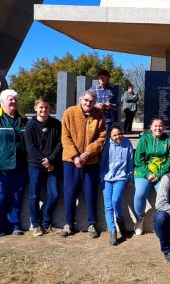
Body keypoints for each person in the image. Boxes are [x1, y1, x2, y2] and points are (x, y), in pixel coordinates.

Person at [60, 90, 107, 238]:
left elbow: (101, 137)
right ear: (80, 99)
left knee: (90, 192)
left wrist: (88, 152)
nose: (88, 103)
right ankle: (68, 223)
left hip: (91, 160)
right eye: (86, 100)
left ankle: (92, 224)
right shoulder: (69, 112)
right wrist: (75, 156)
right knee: (70, 192)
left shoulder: (99, 115)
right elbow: (65, 137)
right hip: (71, 161)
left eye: (91, 101)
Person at [0, 89, 28, 236]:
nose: (13, 102)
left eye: (15, 99)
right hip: (2, 166)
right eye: (10, 99)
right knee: (0, 197)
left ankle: (14, 226)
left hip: (20, 166)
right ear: (2, 102)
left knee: (16, 197)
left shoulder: (23, 119)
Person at [25, 98, 63, 236]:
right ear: (36, 108)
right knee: (34, 196)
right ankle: (36, 225)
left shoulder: (56, 124)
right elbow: (30, 148)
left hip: (52, 165)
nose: (44, 110)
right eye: (41, 107)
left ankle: (46, 222)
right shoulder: (30, 125)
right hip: (35, 165)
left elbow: (60, 144)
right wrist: (43, 161)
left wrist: (51, 160)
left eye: (46, 107)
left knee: (54, 195)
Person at [133, 116, 170, 235]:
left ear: (164, 127)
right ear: (150, 127)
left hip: (161, 173)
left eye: (160, 125)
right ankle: (140, 218)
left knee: (164, 196)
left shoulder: (168, 141)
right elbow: (138, 160)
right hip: (143, 172)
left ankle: (160, 223)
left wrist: (159, 174)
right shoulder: (144, 139)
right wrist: (148, 174)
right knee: (140, 194)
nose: (158, 128)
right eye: (155, 125)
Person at [100, 125, 134, 246]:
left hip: (121, 177)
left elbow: (130, 162)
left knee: (115, 200)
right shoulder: (107, 145)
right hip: (107, 178)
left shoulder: (127, 143)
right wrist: (102, 177)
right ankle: (112, 231)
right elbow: (102, 162)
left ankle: (120, 220)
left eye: (119, 134)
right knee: (108, 205)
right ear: (110, 136)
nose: (117, 136)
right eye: (114, 135)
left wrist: (130, 178)